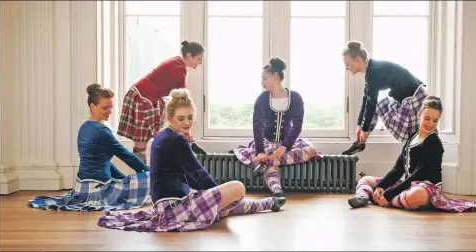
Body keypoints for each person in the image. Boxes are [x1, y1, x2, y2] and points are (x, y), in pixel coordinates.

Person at [97, 89, 286, 232]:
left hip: (167, 205)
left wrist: (217, 197)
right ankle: (258, 204)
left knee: (223, 200)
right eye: (181, 118)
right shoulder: (176, 139)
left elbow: (188, 177)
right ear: (169, 117)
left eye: (190, 117)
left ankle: (270, 202)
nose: (186, 123)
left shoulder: (163, 135)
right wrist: (217, 193)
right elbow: (197, 173)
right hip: (175, 208)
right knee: (237, 188)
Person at [347, 96, 476, 213]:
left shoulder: (433, 142)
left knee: (416, 195)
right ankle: (363, 198)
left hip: (425, 189)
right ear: (419, 115)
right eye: (427, 118)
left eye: (435, 120)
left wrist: (389, 194)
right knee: (365, 180)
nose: (430, 124)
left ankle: (383, 200)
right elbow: (397, 169)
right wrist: (380, 187)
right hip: (407, 185)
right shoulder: (412, 137)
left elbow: (418, 175)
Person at [28, 84, 151, 211]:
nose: (110, 111)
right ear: (92, 106)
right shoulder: (102, 131)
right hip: (100, 191)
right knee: (153, 178)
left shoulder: (84, 128)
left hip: (81, 189)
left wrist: (122, 179)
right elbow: (127, 156)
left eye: (111, 107)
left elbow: (104, 162)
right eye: (105, 107)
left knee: (127, 181)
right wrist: (152, 173)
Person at [231, 57, 319, 199]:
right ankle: (277, 190)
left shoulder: (295, 98)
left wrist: (284, 147)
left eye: (264, 79)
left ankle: (268, 162)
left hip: (287, 143)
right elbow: (257, 126)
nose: (262, 82)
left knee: (311, 150)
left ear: (275, 77)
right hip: (266, 142)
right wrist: (260, 151)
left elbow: (297, 125)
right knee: (262, 158)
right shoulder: (262, 99)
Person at [117, 40, 207, 164]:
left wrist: (189, 139)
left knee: (144, 140)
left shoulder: (177, 62)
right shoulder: (178, 70)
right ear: (190, 55)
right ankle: (143, 175)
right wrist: (190, 140)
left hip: (145, 95)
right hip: (143, 97)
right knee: (145, 140)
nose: (200, 62)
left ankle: (143, 175)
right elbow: (183, 107)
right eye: (199, 59)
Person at [341, 41, 429, 155]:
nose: (346, 68)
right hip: (408, 98)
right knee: (376, 107)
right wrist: (360, 127)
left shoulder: (373, 71)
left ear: (357, 59)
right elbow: (366, 100)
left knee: (416, 141)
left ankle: (361, 140)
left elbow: (371, 103)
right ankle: (359, 142)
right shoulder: (371, 70)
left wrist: (364, 129)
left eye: (347, 64)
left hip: (415, 98)